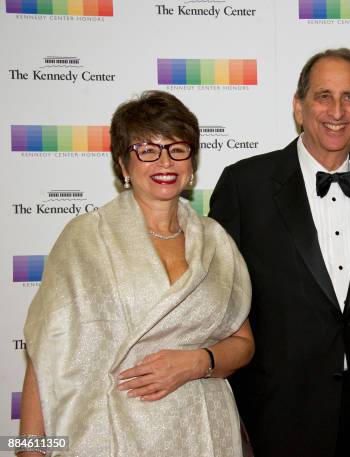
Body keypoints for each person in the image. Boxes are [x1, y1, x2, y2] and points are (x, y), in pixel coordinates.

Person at [209, 48, 350, 457]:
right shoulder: (245, 185)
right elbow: (211, 290)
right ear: (299, 107)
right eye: (323, 96)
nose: (337, 110)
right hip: (276, 415)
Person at [18, 91, 254, 457]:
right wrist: (28, 450)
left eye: (177, 148)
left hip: (206, 433)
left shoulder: (216, 241)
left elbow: (243, 344)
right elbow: (46, 354)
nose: (165, 160)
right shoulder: (86, 237)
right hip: (109, 435)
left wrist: (198, 362)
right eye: (147, 149)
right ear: (124, 165)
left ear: (191, 164)